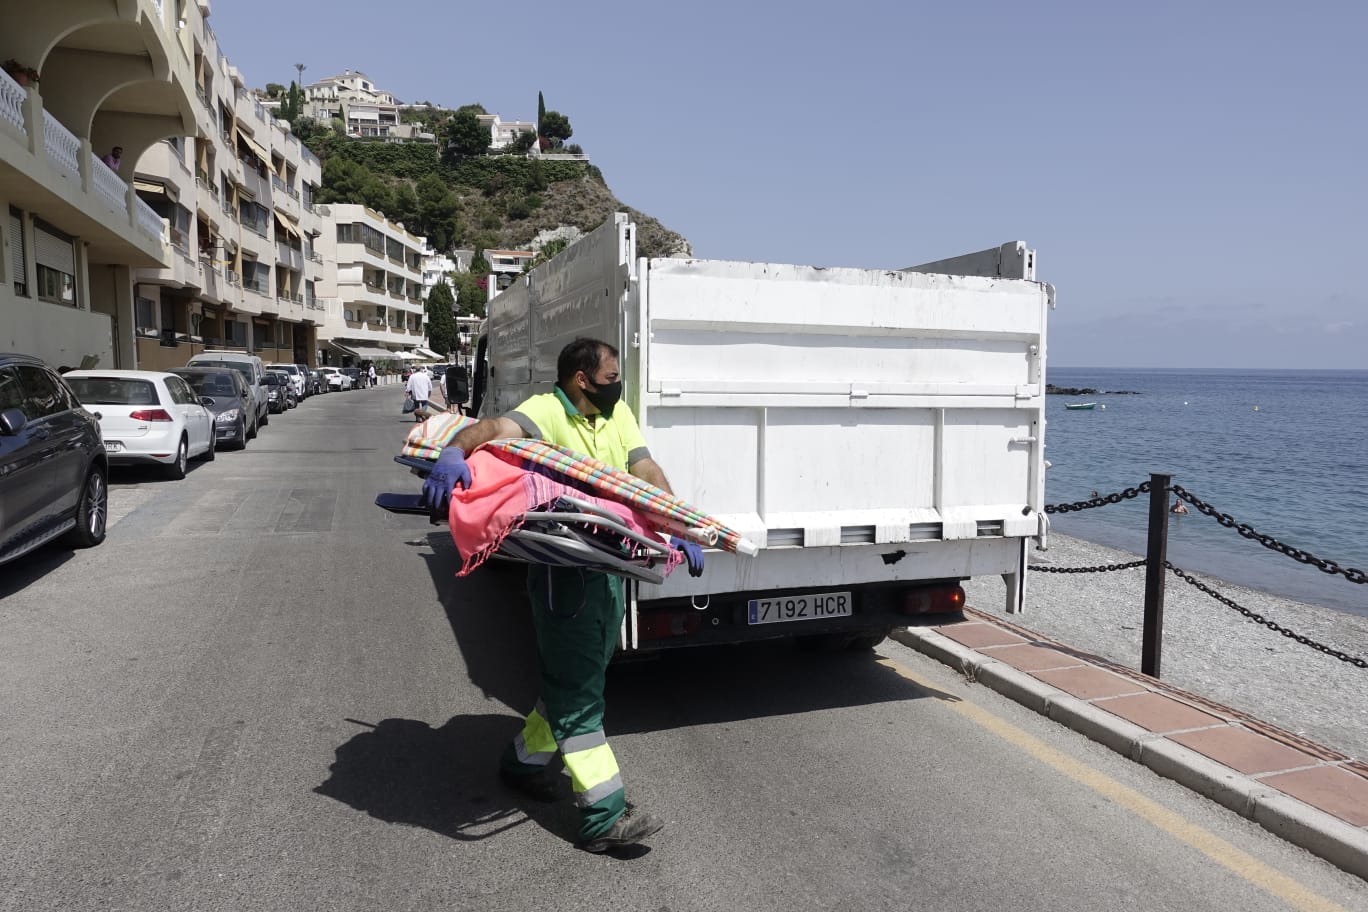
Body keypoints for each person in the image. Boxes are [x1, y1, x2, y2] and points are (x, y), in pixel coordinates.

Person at [419, 337, 703, 853]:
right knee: (578, 698)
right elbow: (493, 428)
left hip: (609, 571)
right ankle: (602, 815)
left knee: (579, 679)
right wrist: (454, 451)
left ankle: (521, 763)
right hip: (564, 578)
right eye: (611, 378)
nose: (618, 386)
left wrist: (676, 519)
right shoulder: (547, 412)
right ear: (582, 379)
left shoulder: (616, 418)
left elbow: (645, 470)